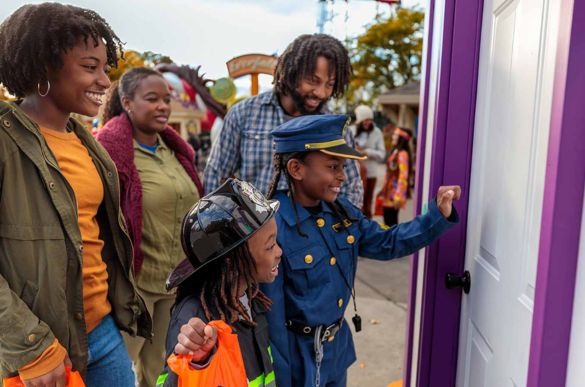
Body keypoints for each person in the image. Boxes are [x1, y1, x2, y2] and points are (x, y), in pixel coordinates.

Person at [0, 3, 151, 386]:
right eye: (90, 67)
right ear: (43, 68)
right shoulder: (3, 140)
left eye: (105, 67)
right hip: (36, 351)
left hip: (101, 333)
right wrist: (30, 344)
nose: (105, 81)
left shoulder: (88, 144)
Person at [263, 114, 460, 387]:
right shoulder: (273, 226)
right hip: (296, 361)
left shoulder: (342, 214)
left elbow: (388, 242)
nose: (342, 176)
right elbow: (270, 318)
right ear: (296, 169)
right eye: (332, 166)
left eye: (342, 166)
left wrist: (437, 214)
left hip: (336, 353)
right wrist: (280, 380)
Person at [96, 67, 204, 387]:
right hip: (132, 287)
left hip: (175, 282)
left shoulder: (176, 150)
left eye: (166, 100)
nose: (163, 106)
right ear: (127, 102)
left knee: (161, 371)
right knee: (113, 373)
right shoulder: (108, 150)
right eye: (152, 99)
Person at [204, 33, 364, 208]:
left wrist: (336, 231)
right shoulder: (244, 113)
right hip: (255, 230)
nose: (321, 92)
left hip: (314, 232)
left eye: (329, 84)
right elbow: (216, 174)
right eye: (313, 81)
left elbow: (352, 189)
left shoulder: (336, 129)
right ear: (292, 72)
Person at [157, 178, 281, 386]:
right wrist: (199, 362)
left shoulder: (250, 299)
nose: (279, 252)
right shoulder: (195, 320)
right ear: (232, 261)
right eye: (269, 247)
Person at [352, 105, 386, 218]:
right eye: (365, 120)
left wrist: (367, 152)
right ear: (359, 120)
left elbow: (382, 154)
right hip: (355, 173)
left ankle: (367, 227)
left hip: (371, 173)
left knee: (367, 202)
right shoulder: (351, 131)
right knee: (355, 201)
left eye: (370, 120)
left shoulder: (377, 132)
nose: (368, 122)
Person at [376, 127, 413, 227]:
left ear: (401, 138)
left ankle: (392, 242)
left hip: (394, 194)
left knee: (391, 222)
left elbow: (403, 176)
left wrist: (398, 196)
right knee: (387, 220)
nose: (393, 137)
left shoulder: (402, 154)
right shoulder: (396, 151)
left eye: (395, 135)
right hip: (388, 192)